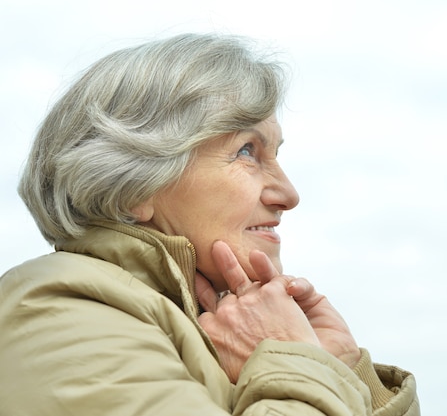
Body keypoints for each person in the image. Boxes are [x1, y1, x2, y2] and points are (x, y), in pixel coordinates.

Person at [0, 33, 419, 415]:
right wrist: (295, 360)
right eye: (246, 152)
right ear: (134, 184)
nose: (288, 194)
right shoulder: (57, 309)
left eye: (275, 154)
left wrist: (341, 368)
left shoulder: (222, 331)